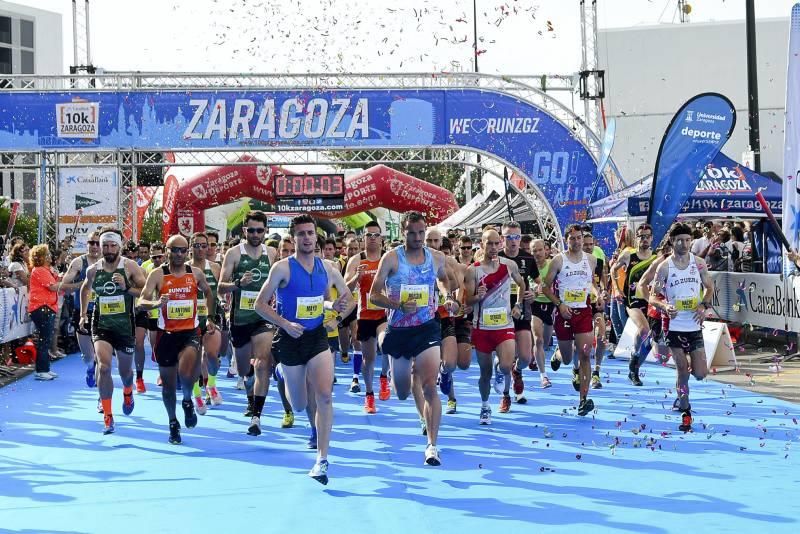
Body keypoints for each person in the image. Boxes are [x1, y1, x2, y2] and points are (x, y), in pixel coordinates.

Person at [254, 214, 352, 485]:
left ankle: (322, 459)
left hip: (317, 337)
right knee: (298, 404)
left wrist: (335, 309)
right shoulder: (283, 269)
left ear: (316, 237)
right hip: (289, 340)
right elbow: (260, 305)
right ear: (293, 237)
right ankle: (283, 374)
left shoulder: (328, 268)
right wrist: (285, 324)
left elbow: (344, 298)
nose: (307, 238)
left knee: (324, 395)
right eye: (302, 234)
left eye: (311, 233)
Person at [371, 211, 458, 466]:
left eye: (422, 232)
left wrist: (447, 297)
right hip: (399, 330)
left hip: (427, 328)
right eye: (412, 233)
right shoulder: (391, 259)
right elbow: (374, 295)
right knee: (402, 390)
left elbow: (444, 281)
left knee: (430, 385)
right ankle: (384, 343)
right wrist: (396, 305)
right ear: (403, 232)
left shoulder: (436, 257)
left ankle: (432, 446)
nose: (418, 238)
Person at [138, 234, 216, 444]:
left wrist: (209, 317)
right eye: (175, 250)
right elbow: (142, 300)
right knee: (168, 386)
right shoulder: (158, 274)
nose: (179, 254)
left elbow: (209, 293)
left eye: (183, 250)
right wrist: (156, 304)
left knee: (187, 368)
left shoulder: (195, 273)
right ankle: (173, 422)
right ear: (167, 251)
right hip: (166, 335)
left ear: (188, 250)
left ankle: (188, 399)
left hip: (190, 332)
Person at [79, 229, 147, 434]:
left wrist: (126, 287)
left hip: (125, 327)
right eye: (105, 246)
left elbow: (145, 291)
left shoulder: (130, 266)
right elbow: (85, 289)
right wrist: (83, 314)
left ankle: (128, 391)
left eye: (112, 245)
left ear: (120, 246)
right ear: (100, 247)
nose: (108, 250)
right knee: (105, 367)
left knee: (126, 373)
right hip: (101, 325)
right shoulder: (93, 270)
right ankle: (108, 415)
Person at [219, 211, 279, 435]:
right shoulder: (234, 254)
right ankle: (249, 388)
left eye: (260, 230)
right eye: (251, 230)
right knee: (245, 368)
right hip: (240, 320)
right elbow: (220, 287)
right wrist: (238, 283)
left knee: (263, 362)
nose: (255, 234)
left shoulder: (272, 253)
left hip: (263, 318)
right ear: (244, 230)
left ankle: (256, 416)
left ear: (266, 231)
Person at [649, 223, 714, 431]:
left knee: (701, 373)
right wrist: (664, 305)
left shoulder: (700, 263)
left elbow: (709, 288)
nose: (685, 244)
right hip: (673, 324)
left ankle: (682, 397)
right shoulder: (665, 267)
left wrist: (704, 305)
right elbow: (652, 296)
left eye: (688, 240)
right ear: (672, 242)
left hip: (693, 323)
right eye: (680, 240)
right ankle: (685, 409)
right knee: (682, 368)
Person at [464, 228, 527, 422]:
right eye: (488, 243)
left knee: (506, 365)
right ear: (482, 244)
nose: (492, 247)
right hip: (482, 328)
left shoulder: (509, 266)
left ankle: (502, 370)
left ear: (500, 244)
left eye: (495, 243)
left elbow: (522, 284)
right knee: (485, 373)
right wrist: (478, 296)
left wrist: (518, 304)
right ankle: (485, 406)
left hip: (504, 324)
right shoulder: (473, 270)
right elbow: (467, 302)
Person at [542, 224, 601, 417]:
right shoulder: (558, 260)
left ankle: (583, 400)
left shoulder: (591, 260)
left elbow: (591, 283)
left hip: (583, 312)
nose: (576, 242)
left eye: (579, 238)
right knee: (568, 358)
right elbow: (545, 288)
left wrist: (597, 293)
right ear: (566, 240)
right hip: (564, 313)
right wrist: (559, 304)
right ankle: (559, 354)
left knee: (585, 354)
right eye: (572, 238)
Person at [344, 220, 389, 412]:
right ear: (363, 238)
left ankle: (384, 376)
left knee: (386, 343)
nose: (372, 238)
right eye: (368, 235)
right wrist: (357, 278)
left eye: (375, 235)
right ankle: (369, 394)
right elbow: (345, 289)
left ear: (381, 238)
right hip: (364, 315)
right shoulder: (356, 260)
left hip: (384, 313)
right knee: (368, 359)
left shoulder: (388, 258)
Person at [611, 223, 656, 386]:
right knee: (644, 329)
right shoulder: (629, 254)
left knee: (651, 340)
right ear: (636, 238)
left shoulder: (656, 257)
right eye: (641, 236)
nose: (644, 239)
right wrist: (616, 289)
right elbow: (613, 269)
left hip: (649, 299)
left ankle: (634, 366)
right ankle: (635, 358)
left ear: (651, 238)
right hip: (632, 300)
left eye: (647, 236)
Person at [498, 221, 537, 404]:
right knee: (505, 359)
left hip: (521, 308)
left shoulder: (528, 258)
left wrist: (534, 291)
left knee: (526, 357)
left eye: (516, 237)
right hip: (500, 311)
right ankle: (505, 395)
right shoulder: (495, 257)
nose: (513, 241)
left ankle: (518, 370)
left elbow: (539, 281)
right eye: (509, 237)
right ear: (502, 238)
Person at [60, 231, 102, 387]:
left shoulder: (109, 263)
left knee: (101, 354)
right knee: (88, 356)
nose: (95, 246)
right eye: (92, 243)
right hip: (82, 313)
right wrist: (83, 284)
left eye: (98, 243)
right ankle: (91, 368)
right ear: (87, 244)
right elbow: (63, 287)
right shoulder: (79, 263)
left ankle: (100, 382)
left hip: (103, 313)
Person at [189, 232, 223, 413]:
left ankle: (211, 384)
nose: (201, 249)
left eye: (205, 245)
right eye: (197, 245)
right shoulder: (184, 268)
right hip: (189, 319)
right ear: (190, 247)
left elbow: (221, 289)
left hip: (211, 316)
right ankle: (197, 396)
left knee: (211, 355)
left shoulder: (215, 267)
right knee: (194, 360)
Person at [28, 244, 73, 380]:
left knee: (46, 339)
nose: (49, 256)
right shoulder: (40, 270)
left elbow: (55, 283)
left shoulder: (46, 270)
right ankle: (41, 370)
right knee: (44, 339)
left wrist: (61, 278)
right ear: (40, 257)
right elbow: (53, 287)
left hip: (47, 307)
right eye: (46, 254)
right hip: (42, 308)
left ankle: (45, 368)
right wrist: (65, 283)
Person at [582, 231, 609, 389]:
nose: (589, 247)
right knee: (577, 345)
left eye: (591, 244)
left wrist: (604, 292)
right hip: (578, 305)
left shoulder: (598, 257)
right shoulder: (573, 260)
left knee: (601, 334)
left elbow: (603, 279)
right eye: (586, 245)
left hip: (594, 303)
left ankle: (596, 373)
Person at [529, 239, 553, 388]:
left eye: (539, 250)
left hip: (552, 305)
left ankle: (538, 357)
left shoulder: (553, 265)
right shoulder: (528, 267)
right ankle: (543, 376)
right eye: (534, 251)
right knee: (538, 340)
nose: (537, 253)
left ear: (545, 250)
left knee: (545, 342)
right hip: (535, 305)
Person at [338, 236, 362, 381]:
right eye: (350, 249)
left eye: (355, 249)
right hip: (342, 305)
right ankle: (344, 351)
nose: (353, 251)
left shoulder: (363, 263)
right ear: (344, 250)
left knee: (356, 338)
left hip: (357, 305)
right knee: (343, 340)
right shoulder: (339, 265)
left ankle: (355, 376)